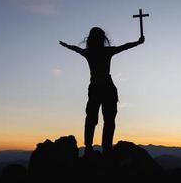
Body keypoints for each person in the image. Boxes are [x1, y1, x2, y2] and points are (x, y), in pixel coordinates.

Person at [59, 27, 144, 155]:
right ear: (102, 38)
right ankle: (106, 148)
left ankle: (89, 148)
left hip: (95, 88)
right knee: (108, 119)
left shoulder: (89, 53)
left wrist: (66, 45)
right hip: (107, 88)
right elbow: (124, 47)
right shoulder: (106, 51)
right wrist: (137, 42)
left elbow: (76, 49)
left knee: (92, 118)